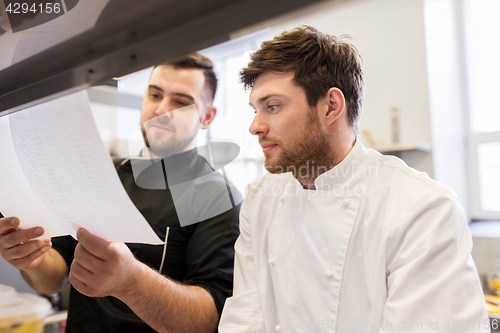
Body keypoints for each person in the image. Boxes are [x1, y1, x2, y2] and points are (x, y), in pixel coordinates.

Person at [218, 26, 488, 332]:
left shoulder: (421, 208)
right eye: (255, 109)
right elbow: (245, 318)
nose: (255, 126)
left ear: (331, 106)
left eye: (273, 107)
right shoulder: (260, 199)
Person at [0, 53, 241, 333]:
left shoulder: (219, 197)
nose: (162, 109)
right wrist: (31, 259)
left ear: (207, 117)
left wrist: (132, 282)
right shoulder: (99, 173)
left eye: (181, 102)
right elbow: (55, 279)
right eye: (155, 95)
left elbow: (209, 318)